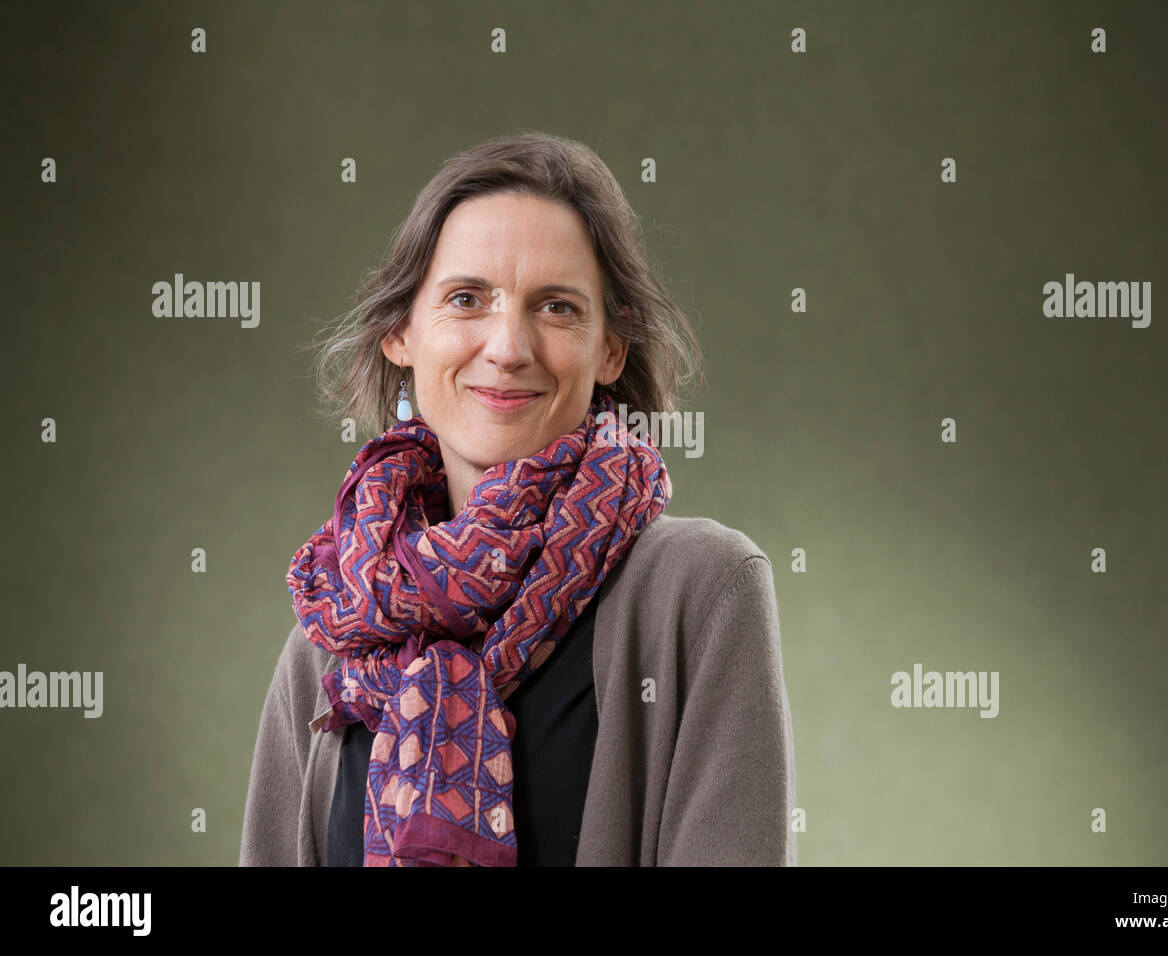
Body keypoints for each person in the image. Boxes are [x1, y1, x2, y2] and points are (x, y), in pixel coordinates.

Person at [238, 130, 796, 866]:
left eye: (557, 307)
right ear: (401, 333)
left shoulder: (702, 590)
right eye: (467, 299)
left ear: (609, 350)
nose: (508, 346)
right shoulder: (328, 646)